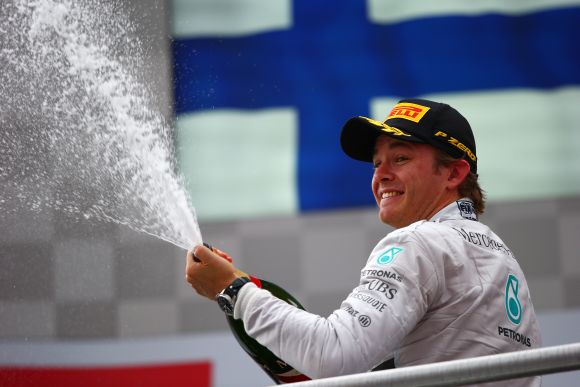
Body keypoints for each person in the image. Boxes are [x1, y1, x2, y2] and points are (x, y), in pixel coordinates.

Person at [185, 98, 542, 385]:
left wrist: (233, 290)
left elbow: (333, 356)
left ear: (453, 172)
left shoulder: (418, 242)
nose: (381, 174)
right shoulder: (502, 256)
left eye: (400, 158)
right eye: (376, 163)